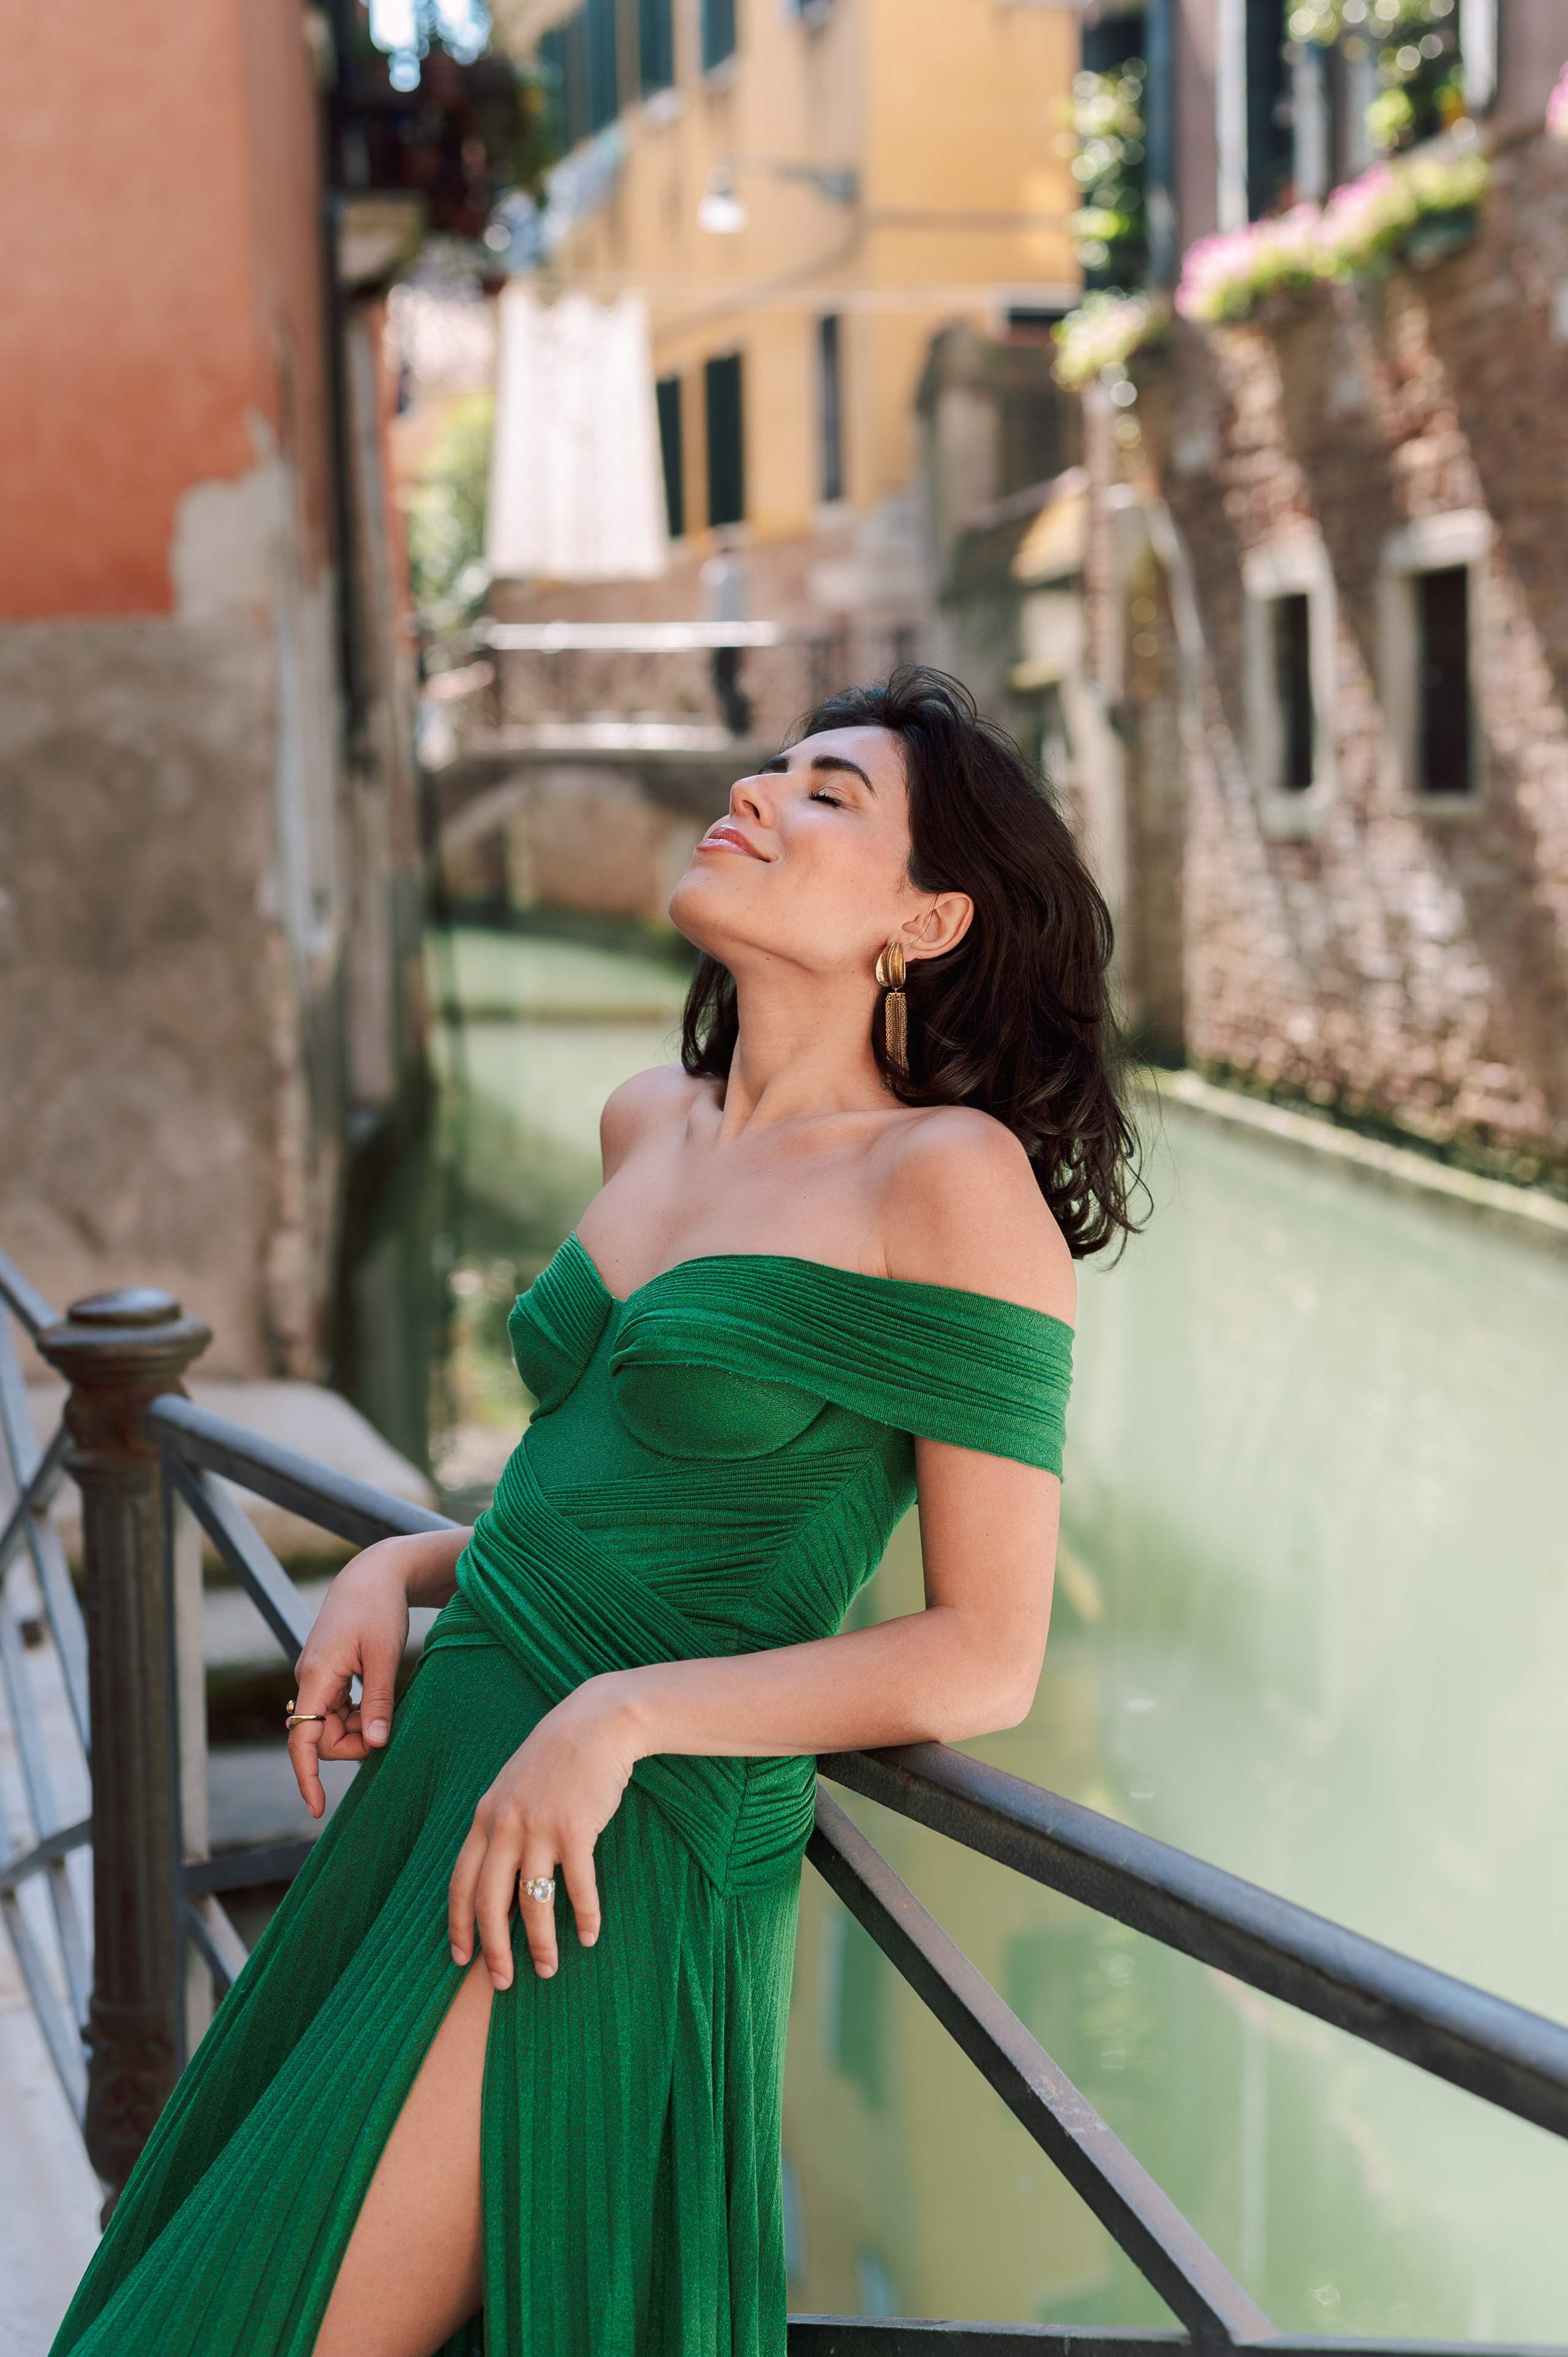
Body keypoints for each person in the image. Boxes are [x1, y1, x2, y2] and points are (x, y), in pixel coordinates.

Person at [51, 666, 1138, 2357]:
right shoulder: (653, 1116)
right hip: (452, 1779)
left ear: (927, 924)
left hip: (601, 1852)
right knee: (192, 2288)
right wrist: (411, 1563)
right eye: (769, 765)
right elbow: (623, 1478)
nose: (760, 791)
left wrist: (622, 1716)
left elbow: (985, 1653)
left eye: (830, 793)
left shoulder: (948, 1183)